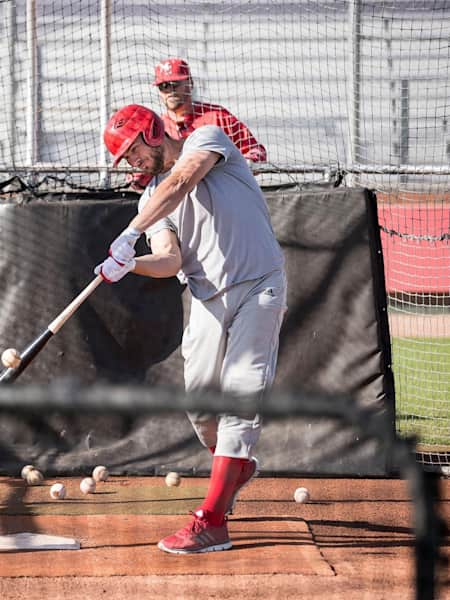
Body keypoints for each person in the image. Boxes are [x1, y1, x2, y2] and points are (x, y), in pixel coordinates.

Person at [97, 104, 287, 554]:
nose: (131, 162)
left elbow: (184, 181)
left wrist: (128, 234)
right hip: (207, 300)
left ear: (153, 131)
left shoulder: (207, 139)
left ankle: (213, 520)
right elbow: (170, 260)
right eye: (124, 158)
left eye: (132, 150)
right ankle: (236, 467)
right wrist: (131, 264)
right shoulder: (149, 201)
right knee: (201, 407)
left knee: (240, 395)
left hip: (259, 285)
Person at [128, 57, 266, 192]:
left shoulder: (217, 116)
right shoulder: (156, 128)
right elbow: (144, 177)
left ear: (190, 83)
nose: (170, 90)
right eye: (163, 86)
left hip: (221, 196)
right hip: (177, 202)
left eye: (175, 84)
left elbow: (256, 151)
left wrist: (245, 164)